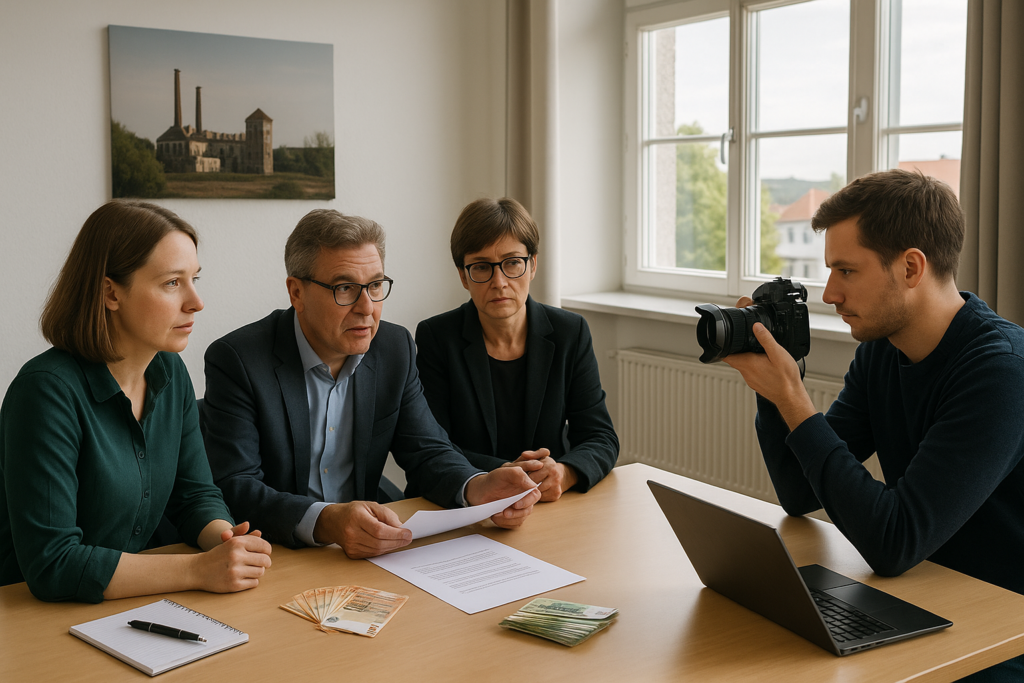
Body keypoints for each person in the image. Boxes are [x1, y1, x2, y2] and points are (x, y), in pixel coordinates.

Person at [723, 169, 1024, 680]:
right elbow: (800, 492)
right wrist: (775, 391)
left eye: (846, 271)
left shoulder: (1001, 371)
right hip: (917, 596)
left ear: (910, 268)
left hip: (998, 633)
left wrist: (795, 401)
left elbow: (894, 542)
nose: (830, 294)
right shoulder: (885, 353)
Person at [202, 210, 541, 560]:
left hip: (366, 553)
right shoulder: (238, 359)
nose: (367, 308)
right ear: (297, 292)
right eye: (345, 288)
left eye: (376, 286)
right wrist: (325, 520)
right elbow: (235, 485)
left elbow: (426, 450)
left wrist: (477, 486)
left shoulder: (393, 347)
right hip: (275, 553)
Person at [0, 200, 272, 603]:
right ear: (111, 292)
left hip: (130, 606)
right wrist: (199, 569)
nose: (196, 302)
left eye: (195, 278)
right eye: (172, 283)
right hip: (34, 624)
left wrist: (225, 542)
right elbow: (53, 564)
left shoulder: (170, 371)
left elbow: (194, 494)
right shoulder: (45, 392)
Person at [414, 197, 618, 502]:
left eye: (512, 263)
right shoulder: (437, 337)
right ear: (463, 276)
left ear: (532, 264)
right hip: (466, 504)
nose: (499, 282)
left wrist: (564, 473)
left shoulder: (570, 332)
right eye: (481, 267)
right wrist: (506, 475)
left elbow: (600, 438)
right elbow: (433, 446)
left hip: (549, 503)